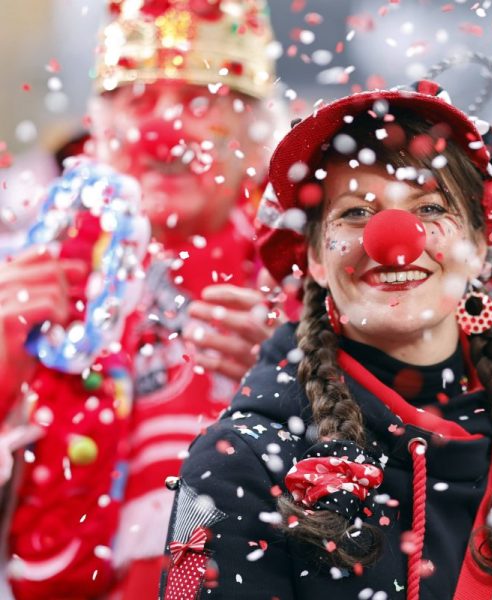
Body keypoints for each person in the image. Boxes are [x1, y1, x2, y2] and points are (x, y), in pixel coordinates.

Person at [161, 80, 492, 600]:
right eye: (355, 213)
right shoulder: (242, 462)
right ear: (316, 257)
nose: (394, 241)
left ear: (479, 245)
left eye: (430, 208)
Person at [0, 1, 285, 597]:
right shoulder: (23, 265)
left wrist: (296, 383)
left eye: (199, 101)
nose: (165, 131)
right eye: (139, 100)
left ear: (255, 133)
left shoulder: (310, 284)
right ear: (100, 129)